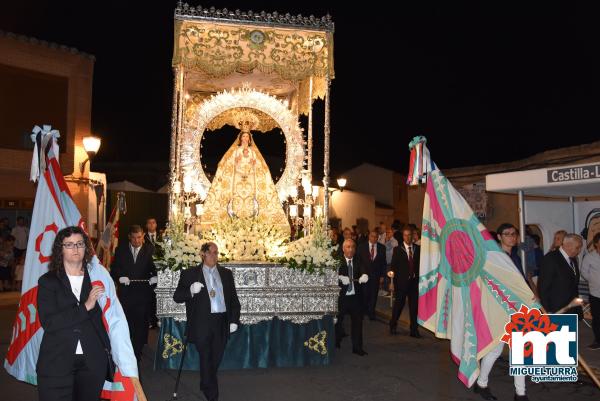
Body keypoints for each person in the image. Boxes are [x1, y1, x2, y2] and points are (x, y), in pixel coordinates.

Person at [36, 226, 112, 401]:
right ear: (60, 249)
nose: (75, 248)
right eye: (69, 244)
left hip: (92, 362)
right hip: (57, 361)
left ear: (86, 247)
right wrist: (85, 307)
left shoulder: (98, 279)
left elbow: (111, 318)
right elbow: (49, 323)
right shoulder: (48, 282)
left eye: (79, 243)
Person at [200, 110, 289, 234]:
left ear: (250, 138)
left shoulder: (253, 152)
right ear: (240, 138)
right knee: (235, 200)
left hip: (250, 181)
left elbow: (261, 168)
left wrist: (254, 165)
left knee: (252, 201)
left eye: (247, 136)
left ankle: (253, 222)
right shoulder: (235, 151)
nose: (245, 138)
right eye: (244, 136)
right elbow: (225, 165)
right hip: (237, 180)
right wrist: (235, 163)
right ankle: (232, 221)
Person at [173, 242, 241, 401]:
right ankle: (212, 395)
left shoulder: (226, 274)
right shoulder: (190, 274)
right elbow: (177, 297)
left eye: (216, 253)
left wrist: (233, 320)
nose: (214, 256)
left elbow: (233, 300)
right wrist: (190, 290)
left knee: (215, 358)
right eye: (211, 253)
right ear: (202, 254)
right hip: (201, 324)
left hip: (221, 322)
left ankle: (206, 381)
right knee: (206, 358)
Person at [473, 223, 532, 401]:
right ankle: (481, 383)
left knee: (518, 351)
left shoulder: (514, 256)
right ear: (499, 237)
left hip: (517, 309)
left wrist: (530, 296)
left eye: (514, 234)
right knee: (494, 351)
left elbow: (521, 282)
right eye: (507, 234)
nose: (512, 237)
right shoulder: (494, 257)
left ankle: (520, 393)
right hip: (500, 309)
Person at [110, 225, 157, 362]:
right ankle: (127, 348)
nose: (137, 241)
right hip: (126, 293)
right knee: (127, 322)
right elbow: (115, 269)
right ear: (129, 237)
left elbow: (156, 268)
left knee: (141, 323)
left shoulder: (151, 249)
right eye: (134, 238)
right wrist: (119, 277)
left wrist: (155, 277)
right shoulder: (121, 250)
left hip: (143, 293)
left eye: (139, 238)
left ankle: (138, 351)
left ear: (143, 236)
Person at [335, 239, 369, 355]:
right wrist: (339, 278)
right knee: (337, 321)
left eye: (352, 247)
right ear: (343, 249)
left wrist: (364, 275)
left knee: (358, 323)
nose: (350, 249)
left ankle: (357, 347)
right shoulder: (337, 261)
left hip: (355, 297)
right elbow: (331, 275)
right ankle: (336, 342)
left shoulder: (359, 260)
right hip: (342, 297)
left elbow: (364, 270)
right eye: (348, 247)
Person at [388, 226, 420, 337]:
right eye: (405, 235)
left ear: (412, 236)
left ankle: (414, 330)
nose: (407, 237)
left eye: (409, 235)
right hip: (401, 283)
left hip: (414, 282)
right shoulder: (398, 249)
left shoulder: (417, 248)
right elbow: (393, 266)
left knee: (414, 307)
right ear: (403, 236)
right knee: (398, 306)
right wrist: (391, 282)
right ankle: (393, 324)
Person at [538, 233, 583, 314]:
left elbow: (573, 283)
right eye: (578, 248)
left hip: (572, 307)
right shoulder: (551, 259)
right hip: (556, 308)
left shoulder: (573, 259)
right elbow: (543, 287)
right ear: (568, 245)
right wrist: (547, 310)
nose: (579, 250)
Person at [357, 230, 386, 320]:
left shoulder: (382, 247)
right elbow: (359, 261)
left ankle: (371, 312)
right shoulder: (362, 247)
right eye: (372, 236)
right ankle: (364, 310)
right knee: (365, 294)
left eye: (376, 237)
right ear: (369, 236)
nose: (374, 238)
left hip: (376, 275)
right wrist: (362, 273)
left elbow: (383, 263)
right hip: (364, 275)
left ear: (378, 238)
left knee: (374, 294)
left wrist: (382, 275)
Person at [581, 232, 600, 350]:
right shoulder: (589, 257)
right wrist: (594, 281)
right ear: (596, 244)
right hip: (595, 293)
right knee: (597, 318)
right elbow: (584, 273)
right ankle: (598, 340)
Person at [144, 217, 160, 329]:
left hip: (160, 269)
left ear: (156, 224)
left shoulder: (162, 237)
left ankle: (158, 319)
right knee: (149, 296)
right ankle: (150, 320)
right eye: (149, 223)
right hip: (147, 269)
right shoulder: (143, 237)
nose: (151, 224)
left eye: (153, 222)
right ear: (146, 225)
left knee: (158, 295)